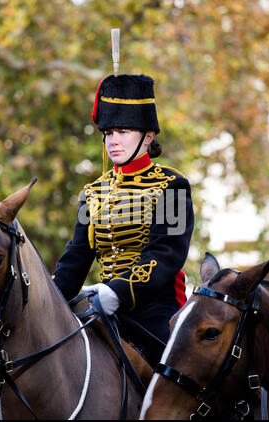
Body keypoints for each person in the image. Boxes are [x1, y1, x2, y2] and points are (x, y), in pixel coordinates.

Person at [53, 74, 194, 366]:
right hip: (100, 308)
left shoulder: (172, 185)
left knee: (176, 376)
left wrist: (116, 292)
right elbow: (75, 259)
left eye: (123, 131)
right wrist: (47, 300)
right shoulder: (91, 192)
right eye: (108, 133)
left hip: (155, 310)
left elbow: (166, 256)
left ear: (148, 136)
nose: (113, 141)